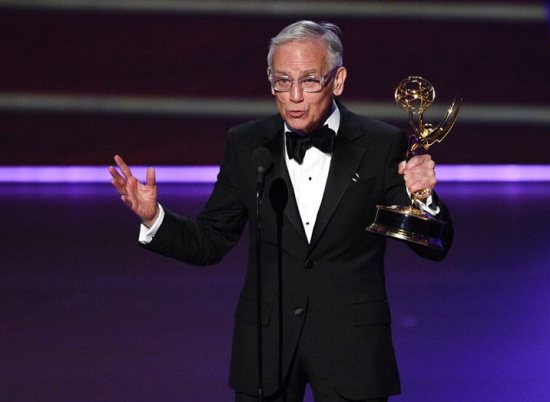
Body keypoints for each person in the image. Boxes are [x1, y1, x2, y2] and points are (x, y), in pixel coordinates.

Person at [109, 20, 453, 402]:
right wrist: (153, 218)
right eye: (282, 81)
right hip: (265, 348)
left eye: (309, 81)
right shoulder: (247, 144)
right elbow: (211, 240)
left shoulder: (380, 144)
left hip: (351, 346)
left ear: (338, 81)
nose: (294, 97)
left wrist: (424, 198)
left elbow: (432, 246)